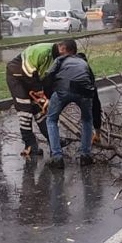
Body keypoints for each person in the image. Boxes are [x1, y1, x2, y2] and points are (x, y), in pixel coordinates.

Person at [42, 38, 98, 167]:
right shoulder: (83, 62)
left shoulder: (59, 60)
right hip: (85, 91)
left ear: (68, 50)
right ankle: (85, 156)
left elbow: (48, 77)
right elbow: (92, 81)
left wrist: (48, 97)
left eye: (61, 48)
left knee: (51, 120)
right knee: (87, 120)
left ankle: (57, 157)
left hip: (63, 90)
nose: (59, 51)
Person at [6, 40, 57, 158]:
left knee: (39, 111)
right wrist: (39, 93)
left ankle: (53, 140)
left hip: (32, 78)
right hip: (16, 76)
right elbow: (28, 71)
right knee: (25, 110)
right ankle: (29, 144)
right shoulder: (42, 52)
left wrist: (46, 98)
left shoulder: (56, 59)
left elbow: (47, 78)